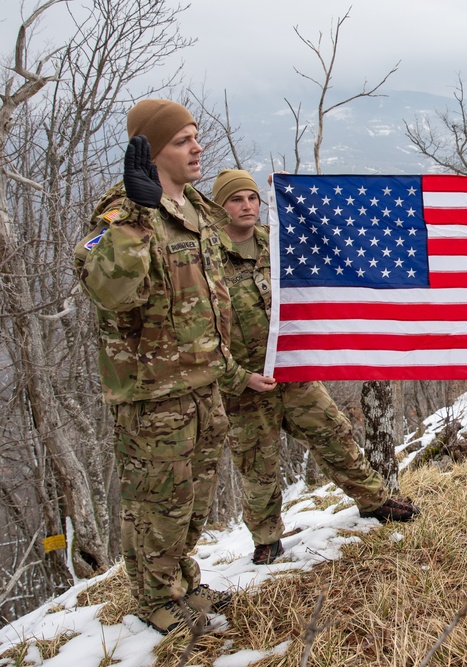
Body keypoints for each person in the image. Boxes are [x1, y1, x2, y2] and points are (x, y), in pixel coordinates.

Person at [74, 100, 237, 633]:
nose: (197, 147)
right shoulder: (121, 214)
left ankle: (182, 581)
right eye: (181, 141)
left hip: (204, 382)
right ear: (150, 152)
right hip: (153, 391)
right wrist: (138, 218)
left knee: (193, 501)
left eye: (196, 136)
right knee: (157, 502)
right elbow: (112, 290)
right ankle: (153, 597)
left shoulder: (198, 209)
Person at [210, 169, 419, 566]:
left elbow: (321, 268)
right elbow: (198, 334)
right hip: (246, 385)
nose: (247, 206)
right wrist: (239, 378)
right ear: (221, 208)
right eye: (236, 199)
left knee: (335, 434)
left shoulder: (278, 243)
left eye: (252, 198)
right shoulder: (209, 260)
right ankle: (267, 539)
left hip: (294, 373)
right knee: (259, 465)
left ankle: (374, 501)